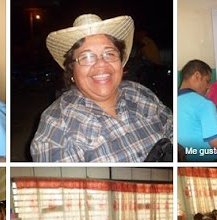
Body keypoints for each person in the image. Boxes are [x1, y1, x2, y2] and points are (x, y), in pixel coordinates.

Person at [31, 14, 172, 162]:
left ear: (121, 62)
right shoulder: (56, 124)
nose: (101, 64)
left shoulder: (140, 92)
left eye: (109, 53)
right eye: (86, 57)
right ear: (72, 70)